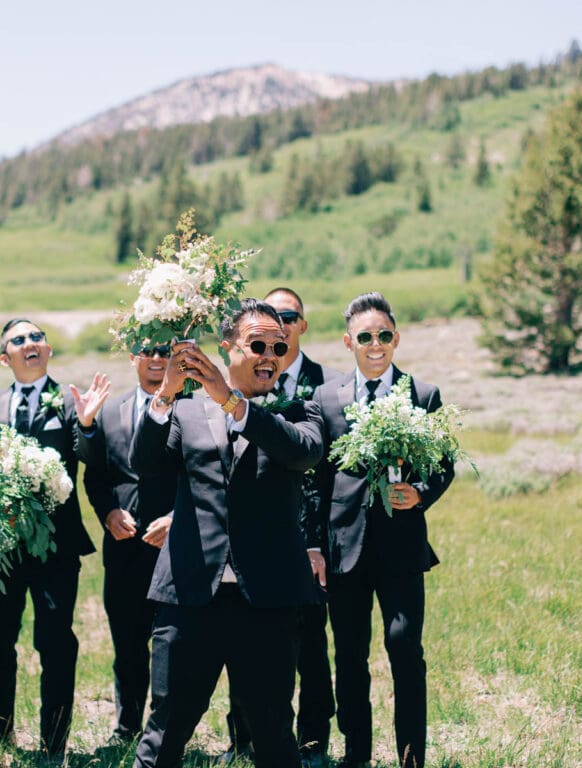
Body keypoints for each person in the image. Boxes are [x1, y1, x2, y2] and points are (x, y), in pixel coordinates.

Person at [131, 299, 325, 768]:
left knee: (274, 733)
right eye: (257, 344)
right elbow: (145, 466)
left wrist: (231, 401)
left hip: (268, 603)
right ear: (227, 347)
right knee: (164, 731)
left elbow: (302, 453)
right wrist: (164, 395)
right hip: (190, 597)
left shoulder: (301, 410)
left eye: (278, 346)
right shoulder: (188, 411)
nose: (269, 355)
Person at [309, 292, 455, 768]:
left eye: (385, 335)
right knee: (349, 657)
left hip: (401, 549)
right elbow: (317, 480)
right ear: (348, 341)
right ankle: (357, 755)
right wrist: (316, 544)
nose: (376, 345)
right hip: (344, 549)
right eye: (366, 337)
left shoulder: (423, 394)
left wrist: (420, 493)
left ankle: (412, 756)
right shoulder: (326, 398)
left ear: (397, 338)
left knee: (404, 648)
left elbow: (444, 465)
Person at [0, 318, 107, 762]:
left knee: (54, 643)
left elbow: (92, 457)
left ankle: (54, 744)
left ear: (48, 351)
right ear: (4, 357)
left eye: (36, 337)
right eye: (18, 340)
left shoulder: (71, 402)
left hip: (56, 547)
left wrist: (88, 425)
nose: (30, 343)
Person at [220, 286, 341, 767]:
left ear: (301, 326)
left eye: (289, 317)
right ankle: (244, 738)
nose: (281, 327)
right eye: (272, 319)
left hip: (307, 541)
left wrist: (315, 541)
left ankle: (311, 741)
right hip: (253, 538)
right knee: (245, 643)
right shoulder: (237, 379)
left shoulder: (321, 385)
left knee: (310, 645)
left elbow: (323, 472)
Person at [76, 343, 178, 747]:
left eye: (164, 352)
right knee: (127, 643)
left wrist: (177, 519)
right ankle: (127, 727)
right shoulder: (112, 411)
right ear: (132, 358)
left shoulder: (190, 408)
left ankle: (167, 729)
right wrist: (109, 513)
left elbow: (203, 475)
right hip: (124, 548)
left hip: (175, 549)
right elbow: (94, 475)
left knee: (172, 647)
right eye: (146, 351)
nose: (155, 359)